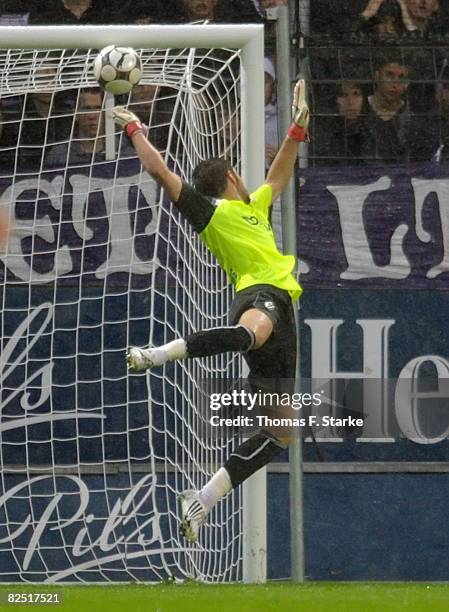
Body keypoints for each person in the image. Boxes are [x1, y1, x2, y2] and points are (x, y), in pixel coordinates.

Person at [112, 79, 309, 543]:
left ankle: (202, 499)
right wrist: (136, 128)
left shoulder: (256, 205)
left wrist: (298, 128)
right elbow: (163, 174)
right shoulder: (213, 212)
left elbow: (279, 174)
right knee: (251, 333)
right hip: (259, 295)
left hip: (285, 312)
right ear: (234, 178)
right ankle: (155, 356)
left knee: (281, 434)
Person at [312, 80, 374, 165]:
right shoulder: (321, 133)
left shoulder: (375, 131)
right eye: (343, 95)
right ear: (334, 100)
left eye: (356, 94)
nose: (350, 102)